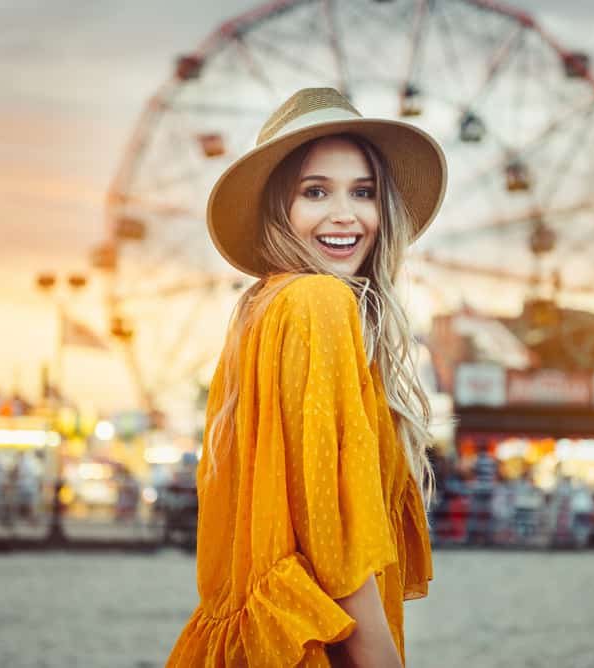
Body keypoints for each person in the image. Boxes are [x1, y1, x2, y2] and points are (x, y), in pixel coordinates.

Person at [165, 88, 446, 668]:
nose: (344, 213)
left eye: (362, 192)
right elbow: (337, 537)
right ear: (278, 209)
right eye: (315, 191)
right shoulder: (318, 304)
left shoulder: (263, 310)